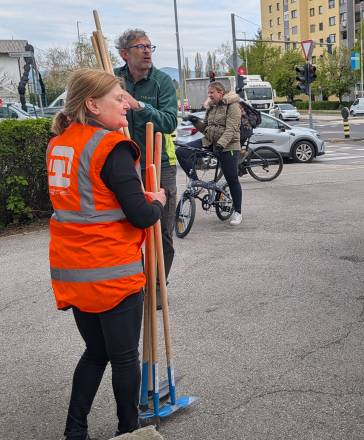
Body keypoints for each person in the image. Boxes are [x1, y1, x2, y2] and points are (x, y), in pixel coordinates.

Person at [47, 69, 166, 439]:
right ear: (92, 104)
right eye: (119, 98)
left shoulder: (60, 143)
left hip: (74, 273)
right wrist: (158, 201)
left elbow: (86, 202)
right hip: (112, 273)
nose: (126, 104)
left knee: (96, 352)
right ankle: (128, 430)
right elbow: (141, 215)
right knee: (124, 357)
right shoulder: (110, 148)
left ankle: (75, 431)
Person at [113, 28, 178, 281]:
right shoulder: (112, 78)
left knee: (161, 231)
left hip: (158, 163)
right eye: (140, 47)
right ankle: (135, 283)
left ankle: (158, 285)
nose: (147, 51)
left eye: (149, 46)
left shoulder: (161, 81)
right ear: (124, 54)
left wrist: (138, 105)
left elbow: (170, 121)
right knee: (125, 227)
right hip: (124, 163)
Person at [176, 82, 244, 225]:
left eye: (212, 93)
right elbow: (206, 128)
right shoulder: (211, 107)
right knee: (182, 152)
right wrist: (195, 121)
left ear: (220, 92)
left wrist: (220, 145)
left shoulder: (233, 106)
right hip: (209, 142)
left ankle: (237, 212)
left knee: (232, 180)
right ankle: (197, 183)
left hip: (228, 146)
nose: (210, 96)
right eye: (209, 93)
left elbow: (231, 130)